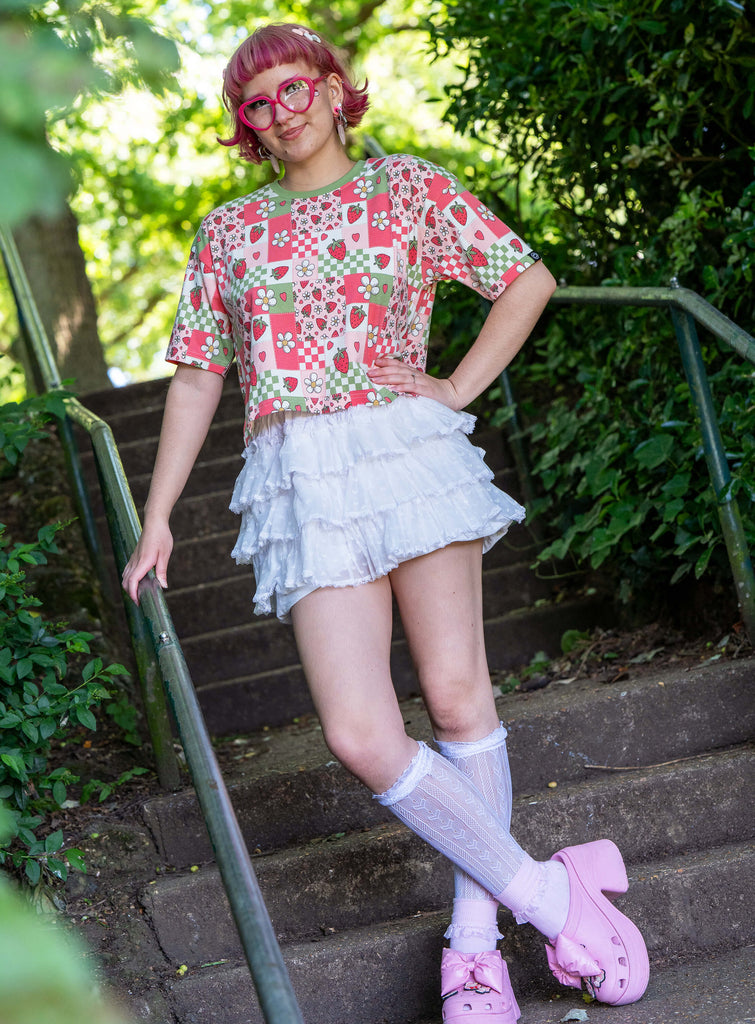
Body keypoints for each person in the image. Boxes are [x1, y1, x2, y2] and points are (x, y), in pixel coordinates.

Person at [122, 23, 649, 1022]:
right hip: (302, 479)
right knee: (361, 733)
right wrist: (158, 517)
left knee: (455, 696)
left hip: (406, 452)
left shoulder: (403, 186)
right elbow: (196, 374)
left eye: (294, 87)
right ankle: (550, 895)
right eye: (257, 103)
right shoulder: (228, 232)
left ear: (332, 87)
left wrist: (456, 385)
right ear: (246, 126)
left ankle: (473, 952)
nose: (281, 112)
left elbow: (524, 278)